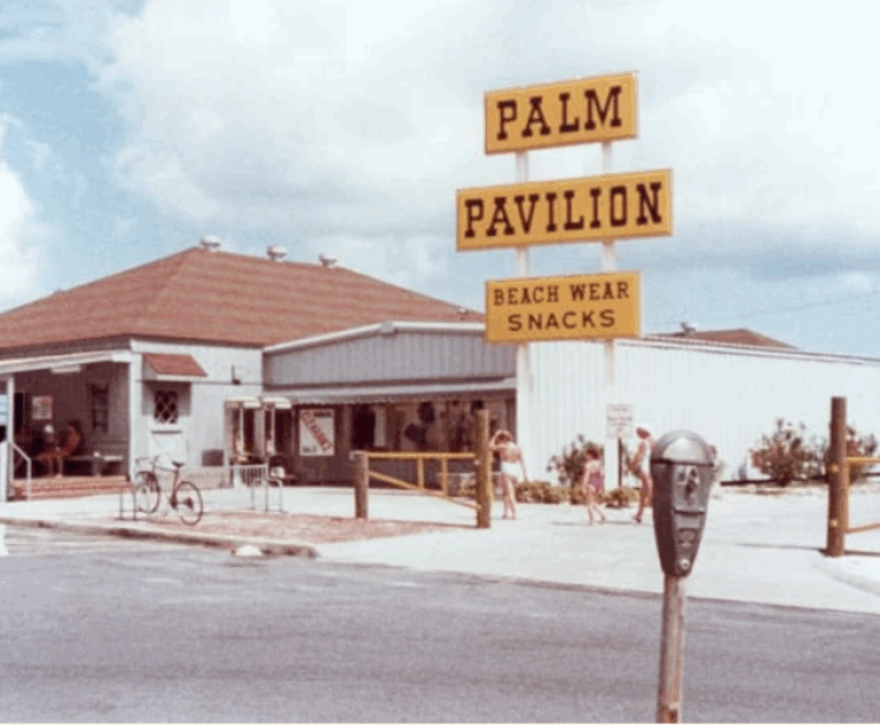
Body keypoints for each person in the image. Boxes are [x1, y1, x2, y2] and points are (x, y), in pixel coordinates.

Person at [489, 429, 526, 520]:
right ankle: (505, 512)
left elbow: (490, 446)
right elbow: (522, 461)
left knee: (509, 493)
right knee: (506, 492)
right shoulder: (517, 447)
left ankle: (514, 513)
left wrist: (495, 436)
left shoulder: (503, 446)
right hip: (515, 468)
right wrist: (525, 474)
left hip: (506, 467)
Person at [629, 423, 656, 524]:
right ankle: (639, 514)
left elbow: (639, 456)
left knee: (648, 491)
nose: (637, 433)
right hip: (651, 467)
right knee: (644, 491)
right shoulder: (654, 442)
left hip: (644, 467)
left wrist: (631, 466)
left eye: (639, 431)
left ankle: (649, 511)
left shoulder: (643, 442)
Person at [580, 446, 606, 524]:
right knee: (593, 502)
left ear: (590, 455)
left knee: (589, 503)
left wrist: (584, 485)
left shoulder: (588, 465)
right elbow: (602, 474)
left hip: (590, 484)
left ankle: (592, 520)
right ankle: (602, 515)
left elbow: (586, 475)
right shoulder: (599, 464)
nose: (586, 456)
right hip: (598, 484)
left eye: (587, 454)